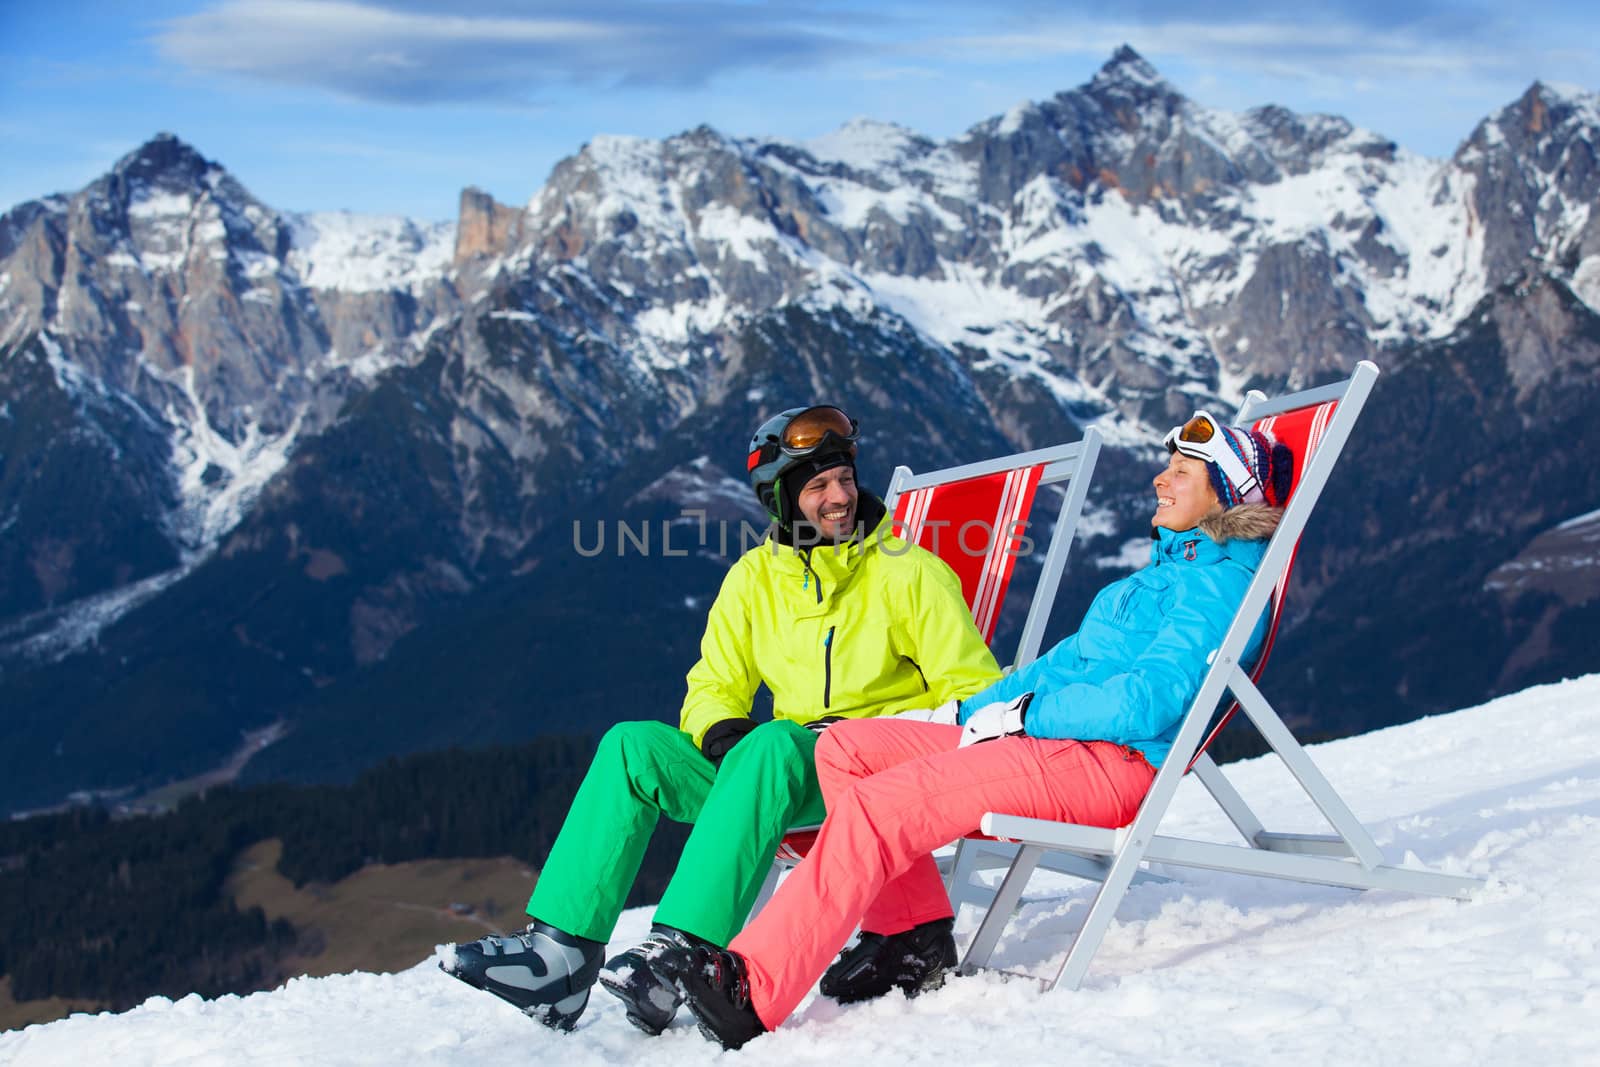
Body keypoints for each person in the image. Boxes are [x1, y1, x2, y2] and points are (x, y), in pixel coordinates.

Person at [652, 411, 1295, 1049]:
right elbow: (1056, 665)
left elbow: (1146, 706)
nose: (1160, 479)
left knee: (885, 804)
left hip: (1108, 761)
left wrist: (1025, 716)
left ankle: (753, 987)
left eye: (1180, 472)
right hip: (1048, 740)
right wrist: (964, 714)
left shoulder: (1216, 589)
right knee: (846, 748)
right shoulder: (1154, 578)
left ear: (1223, 496)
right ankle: (912, 936)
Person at [441, 404, 1002, 1034]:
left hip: (864, 775)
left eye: (844, 477)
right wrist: (716, 730)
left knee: (775, 744)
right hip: (768, 775)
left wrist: (858, 740)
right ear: (782, 499)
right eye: (817, 486)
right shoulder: (753, 580)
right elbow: (712, 686)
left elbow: (974, 701)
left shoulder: (910, 574)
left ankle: (686, 951)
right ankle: (560, 958)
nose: (840, 496)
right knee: (632, 747)